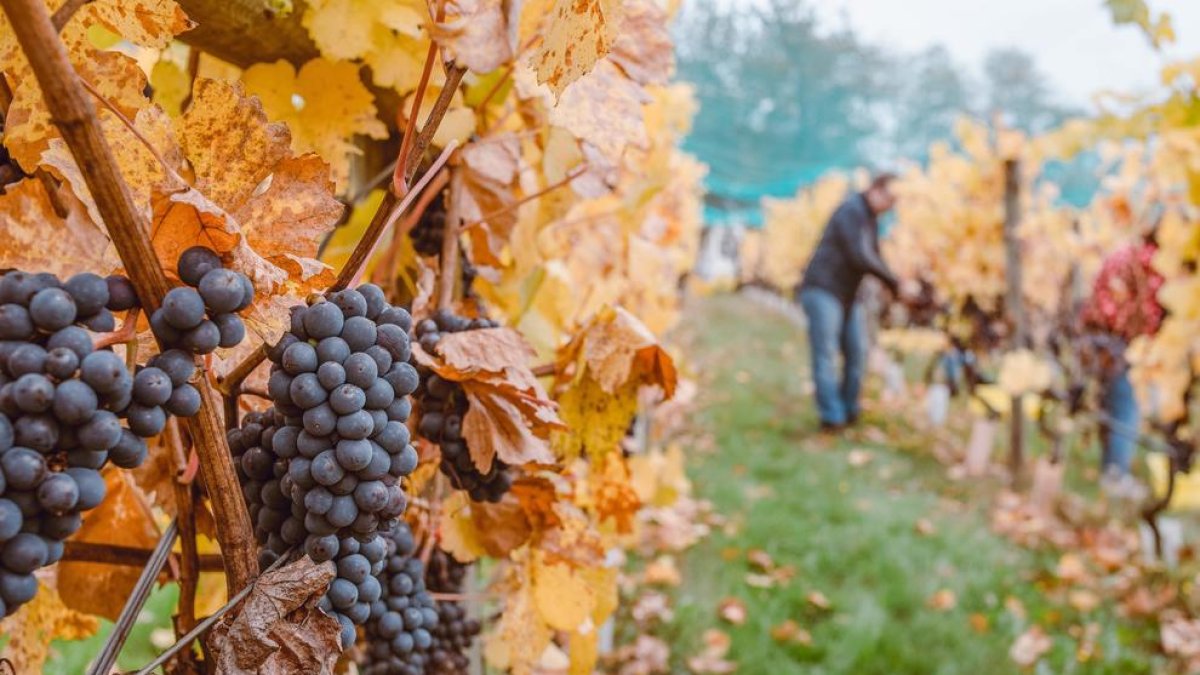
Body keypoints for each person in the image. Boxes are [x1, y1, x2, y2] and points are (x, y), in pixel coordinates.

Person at [797, 174, 901, 431]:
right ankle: (832, 418)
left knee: (857, 353)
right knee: (827, 354)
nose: (890, 205)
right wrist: (893, 282)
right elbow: (861, 255)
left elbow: (875, 255)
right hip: (823, 288)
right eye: (889, 198)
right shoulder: (851, 210)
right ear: (875, 190)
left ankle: (849, 409)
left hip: (847, 294)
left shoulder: (871, 220)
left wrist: (895, 283)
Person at [1079, 235, 1163, 483]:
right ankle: (1115, 474)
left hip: (1100, 337)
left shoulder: (1124, 251)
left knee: (1111, 405)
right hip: (1124, 342)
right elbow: (1152, 309)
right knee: (1126, 407)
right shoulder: (1152, 261)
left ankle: (1110, 469)